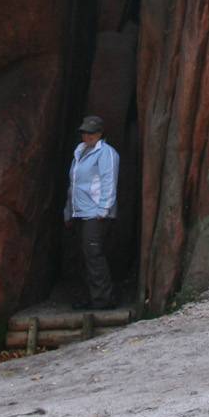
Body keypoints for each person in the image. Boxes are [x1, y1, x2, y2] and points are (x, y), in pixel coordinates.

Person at [65, 114, 119, 309]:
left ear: (100, 133)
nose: (87, 136)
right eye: (84, 132)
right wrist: (68, 211)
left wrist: (103, 210)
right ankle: (87, 297)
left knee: (94, 254)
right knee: (81, 256)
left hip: (96, 213)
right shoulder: (79, 153)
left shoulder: (106, 153)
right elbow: (73, 185)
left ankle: (103, 300)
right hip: (79, 212)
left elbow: (108, 181)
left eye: (91, 132)